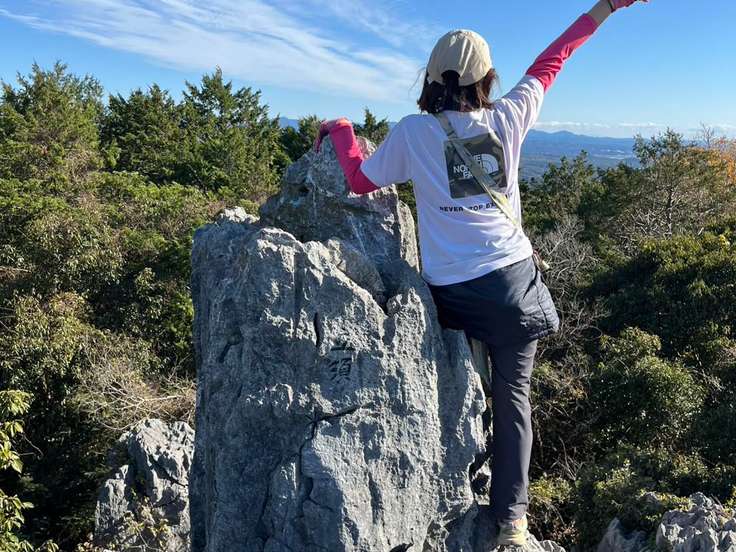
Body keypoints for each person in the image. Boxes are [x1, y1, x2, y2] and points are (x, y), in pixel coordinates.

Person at [313, 0, 648, 545]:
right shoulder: (509, 116)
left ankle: (451, 450)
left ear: (430, 79)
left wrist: (341, 128)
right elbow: (552, 60)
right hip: (513, 286)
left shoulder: (414, 132)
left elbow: (359, 181)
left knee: (459, 378)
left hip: (452, 296)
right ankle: (512, 519)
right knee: (514, 396)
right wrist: (607, 6)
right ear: (487, 79)